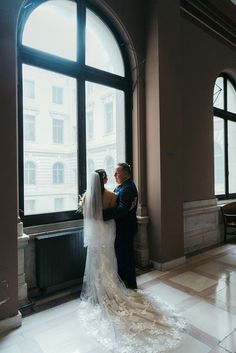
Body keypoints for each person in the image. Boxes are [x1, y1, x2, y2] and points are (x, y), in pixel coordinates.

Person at [79, 169, 187, 353]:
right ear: (103, 180)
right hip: (106, 232)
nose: (114, 176)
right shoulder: (112, 194)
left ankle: (102, 291)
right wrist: (106, 214)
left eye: (117, 173)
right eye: (110, 175)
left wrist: (96, 215)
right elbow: (116, 210)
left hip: (97, 234)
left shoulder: (88, 196)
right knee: (110, 259)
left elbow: (93, 213)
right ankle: (116, 286)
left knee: (99, 260)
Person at [103, 163, 138, 289]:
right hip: (123, 228)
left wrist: (103, 215)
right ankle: (126, 283)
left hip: (125, 229)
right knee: (123, 257)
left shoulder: (128, 188)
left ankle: (128, 285)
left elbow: (123, 209)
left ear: (126, 173)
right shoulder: (122, 186)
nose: (114, 175)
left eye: (117, 173)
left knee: (125, 258)